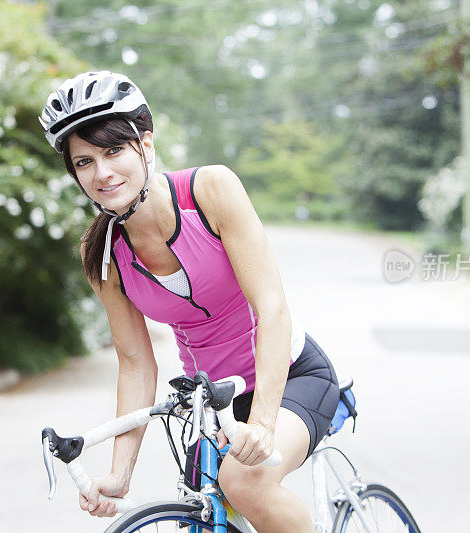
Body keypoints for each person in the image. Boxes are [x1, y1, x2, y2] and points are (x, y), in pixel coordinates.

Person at [39, 70, 342, 533]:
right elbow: (136, 363)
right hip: (211, 401)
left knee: (244, 483)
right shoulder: (102, 254)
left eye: (114, 150)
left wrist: (261, 422)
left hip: (289, 377)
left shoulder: (209, 192)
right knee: (201, 513)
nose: (102, 173)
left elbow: (272, 308)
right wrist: (121, 473)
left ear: (145, 141)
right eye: (83, 162)